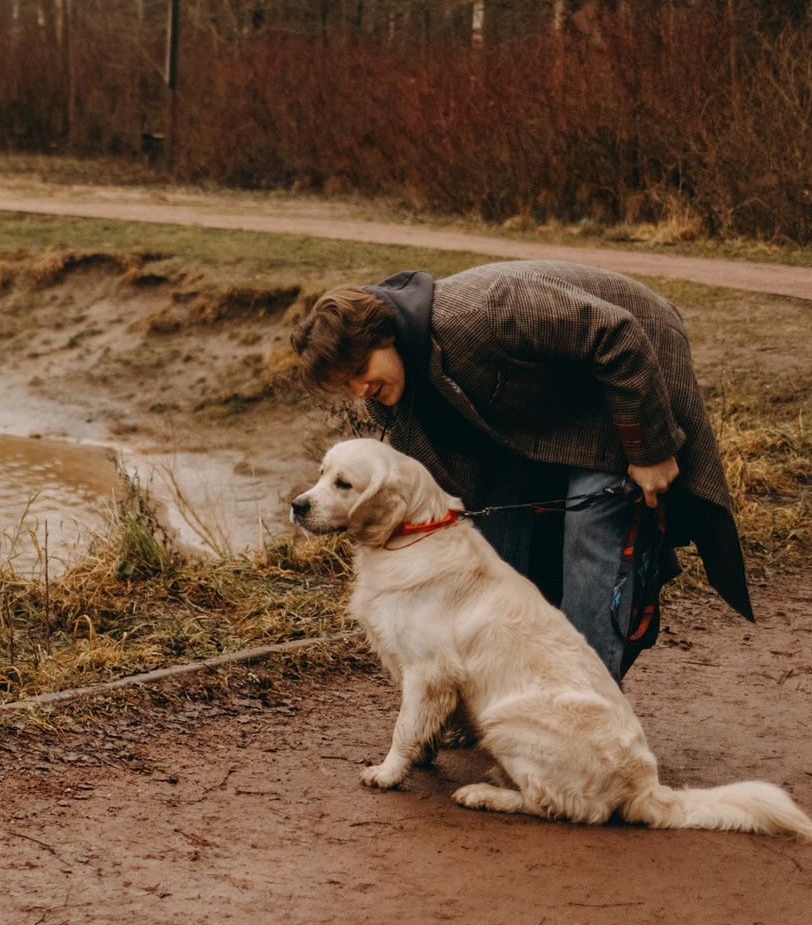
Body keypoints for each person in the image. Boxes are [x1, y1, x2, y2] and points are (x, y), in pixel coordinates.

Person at [289, 261, 752, 681]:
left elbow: (618, 334)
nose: (359, 390)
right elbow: (453, 490)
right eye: (344, 384)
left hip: (623, 368)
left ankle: (580, 703)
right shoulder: (389, 394)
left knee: (591, 530)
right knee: (492, 548)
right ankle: (504, 690)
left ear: (385, 335)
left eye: (358, 369)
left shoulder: (485, 310)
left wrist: (647, 449)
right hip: (544, 407)